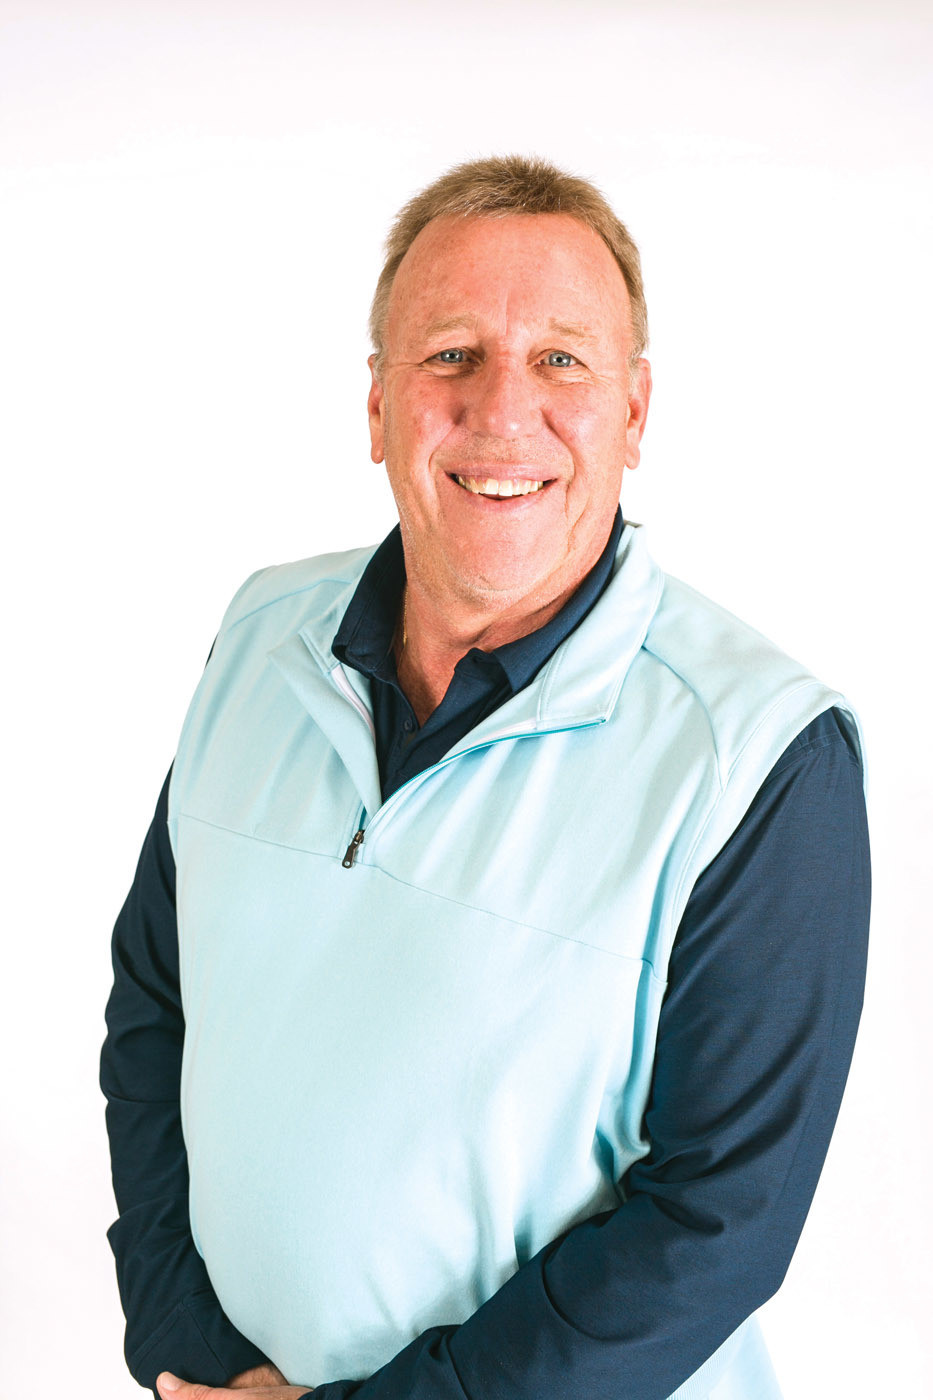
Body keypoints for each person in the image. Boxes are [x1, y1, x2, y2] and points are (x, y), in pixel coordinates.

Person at [101, 155, 870, 1400]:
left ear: (635, 412)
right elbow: (156, 999)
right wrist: (193, 1351)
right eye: (451, 353)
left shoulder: (761, 753)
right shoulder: (258, 638)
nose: (504, 409)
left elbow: (715, 1222)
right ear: (378, 406)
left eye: (562, 359)